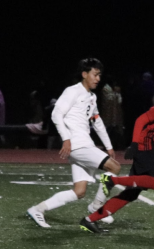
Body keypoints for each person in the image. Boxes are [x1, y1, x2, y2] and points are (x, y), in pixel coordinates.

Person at [79, 70, 154, 233]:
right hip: (147, 147)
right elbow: (142, 119)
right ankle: (111, 181)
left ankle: (89, 220)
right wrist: (135, 144)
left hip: (151, 148)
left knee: (131, 194)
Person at [26, 58, 121, 228]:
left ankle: (37, 209)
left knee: (79, 192)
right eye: (95, 74)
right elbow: (56, 115)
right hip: (78, 145)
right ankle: (97, 207)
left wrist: (109, 146)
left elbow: (97, 122)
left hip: (84, 145)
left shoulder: (91, 96)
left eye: (99, 75)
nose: (98, 79)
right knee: (114, 168)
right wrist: (66, 139)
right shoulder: (72, 91)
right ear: (84, 74)